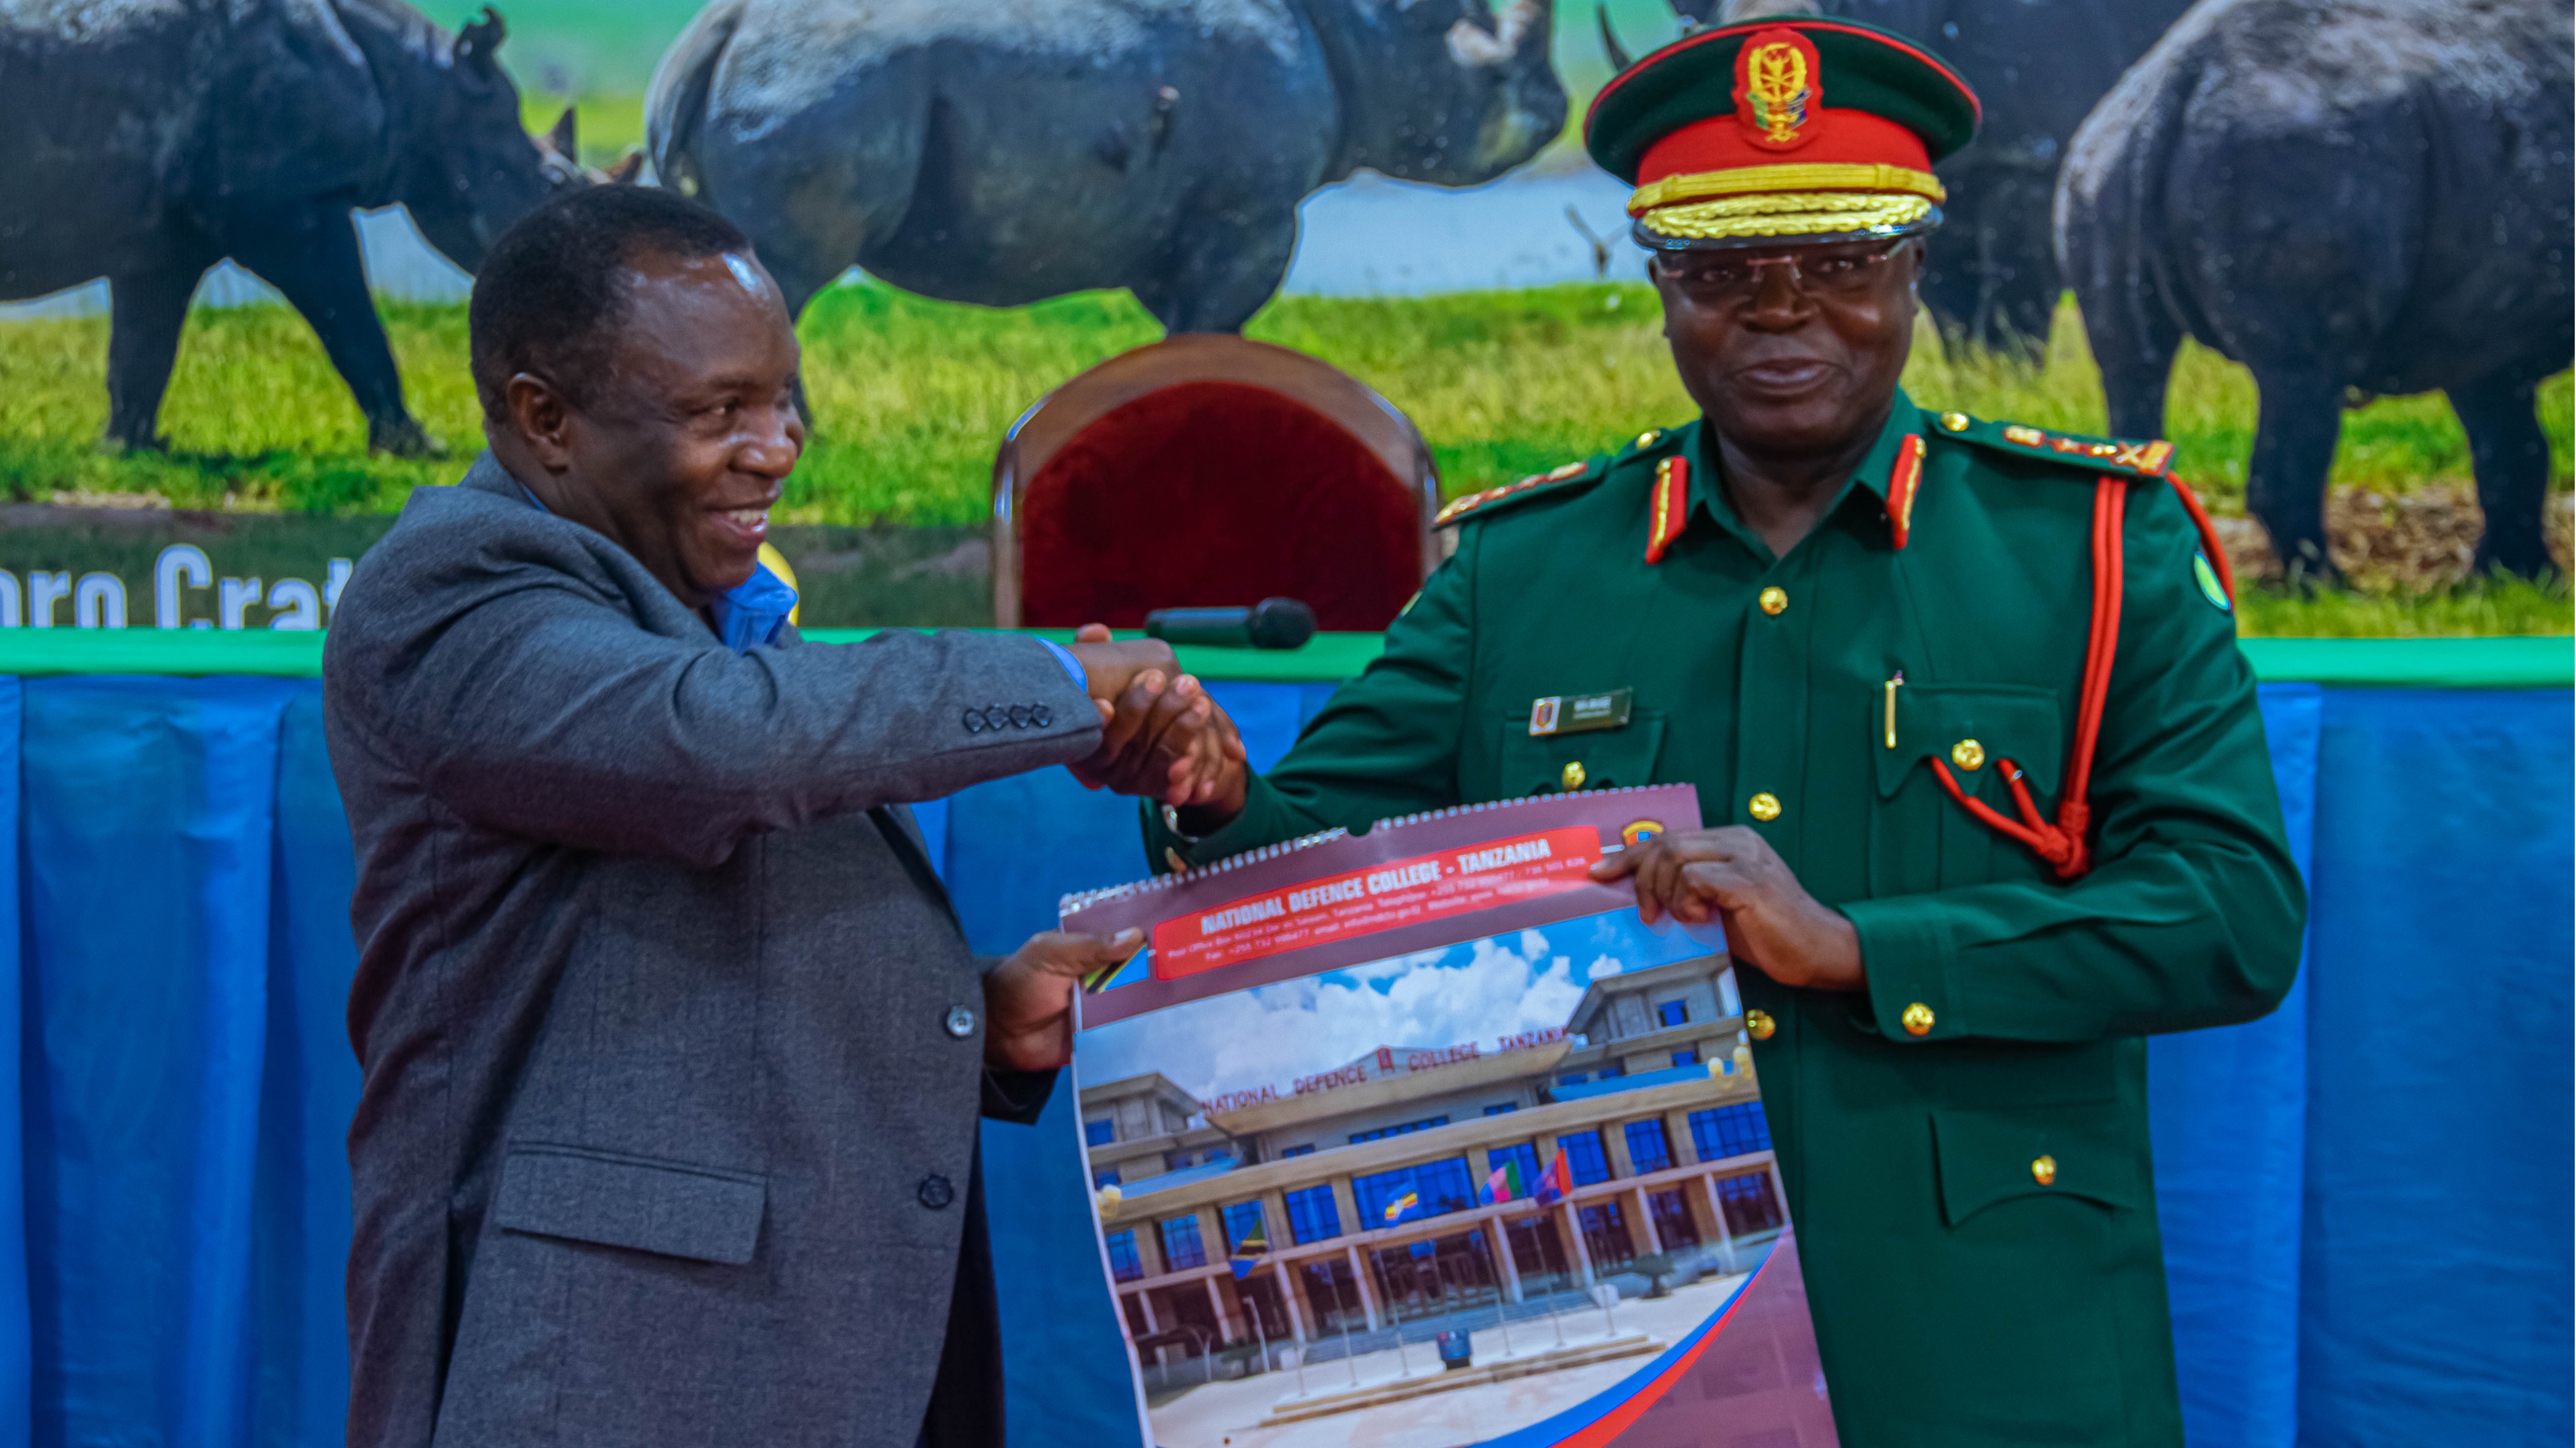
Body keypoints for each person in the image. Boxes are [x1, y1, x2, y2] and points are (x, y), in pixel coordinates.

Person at [1138, 17, 2306, 1445]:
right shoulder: (1521, 571)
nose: (1781, 311)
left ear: (1916, 264)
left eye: (1840, 264)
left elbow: (2231, 916)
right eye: (1720, 272)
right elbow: (1300, 863)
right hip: (1621, 1353)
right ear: (1661, 285)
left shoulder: (2092, 551)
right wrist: (1204, 789)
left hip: (1984, 1350)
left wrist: (1862, 947)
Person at [323, 186, 1227, 1448]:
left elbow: (686, 973)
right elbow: (715, 748)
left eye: (783, 397)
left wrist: (976, 1018)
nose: (779, 445)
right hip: (600, 1380)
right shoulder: (452, 591)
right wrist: (1066, 685)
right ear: (545, 419)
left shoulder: (698, 603)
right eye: (719, 412)